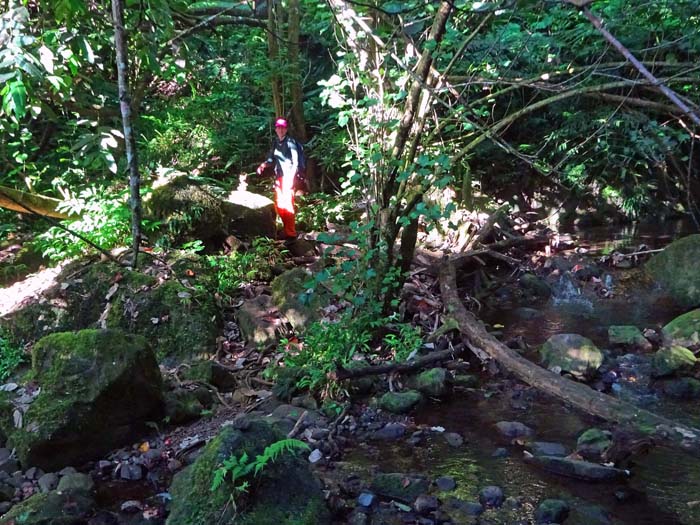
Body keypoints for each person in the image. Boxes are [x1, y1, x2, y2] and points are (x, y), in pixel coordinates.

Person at [257, 117, 299, 241]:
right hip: (279, 177)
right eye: (278, 128)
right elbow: (271, 159)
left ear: (286, 129)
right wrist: (263, 165)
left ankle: (291, 233)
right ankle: (286, 230)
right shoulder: (276, 143)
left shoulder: (291, 142)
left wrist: (291, 177)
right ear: (276, 129)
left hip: (288, 176)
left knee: (288, 204)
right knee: (280, 205)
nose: (280, 130)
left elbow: (295, 162)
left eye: (283, 128)